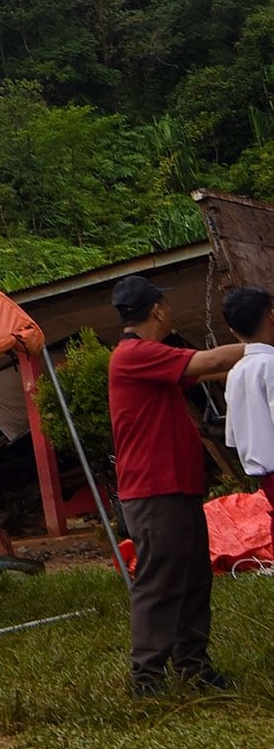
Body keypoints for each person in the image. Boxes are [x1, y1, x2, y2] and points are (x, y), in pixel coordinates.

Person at [105, 274, 245, 695]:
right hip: (153, 488)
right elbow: (207, 363)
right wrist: (259, 345)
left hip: (176, 485)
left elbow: (210, 372)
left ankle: (193, 664)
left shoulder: (153, 358)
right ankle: (147, 677)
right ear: (157, 310)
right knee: (160, 579)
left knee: (194, 575)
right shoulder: (134, 355)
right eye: (165, 305)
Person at [219, 286, 274, 511]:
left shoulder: (235, 374)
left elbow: (231, 437)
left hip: (264, 475)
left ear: (233, 331)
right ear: (271, 316)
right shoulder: (270, 365)